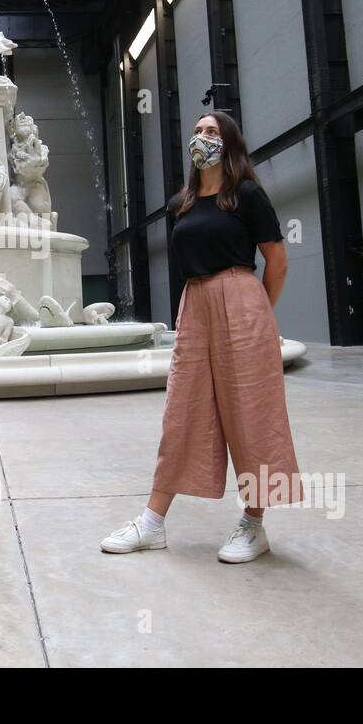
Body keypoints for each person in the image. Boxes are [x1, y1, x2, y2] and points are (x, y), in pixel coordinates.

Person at [101, 110, 303, 563]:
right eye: (196, 131)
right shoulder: (181, 205)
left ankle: (255, 524)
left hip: (241, 298)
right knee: (182, 411)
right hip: (195, 304)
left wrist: (255, 315)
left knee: (252, 414)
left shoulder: (246, 195)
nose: (201, 138)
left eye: (211, 132)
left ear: (228, 143)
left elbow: (278, 262)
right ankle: (152, 523)